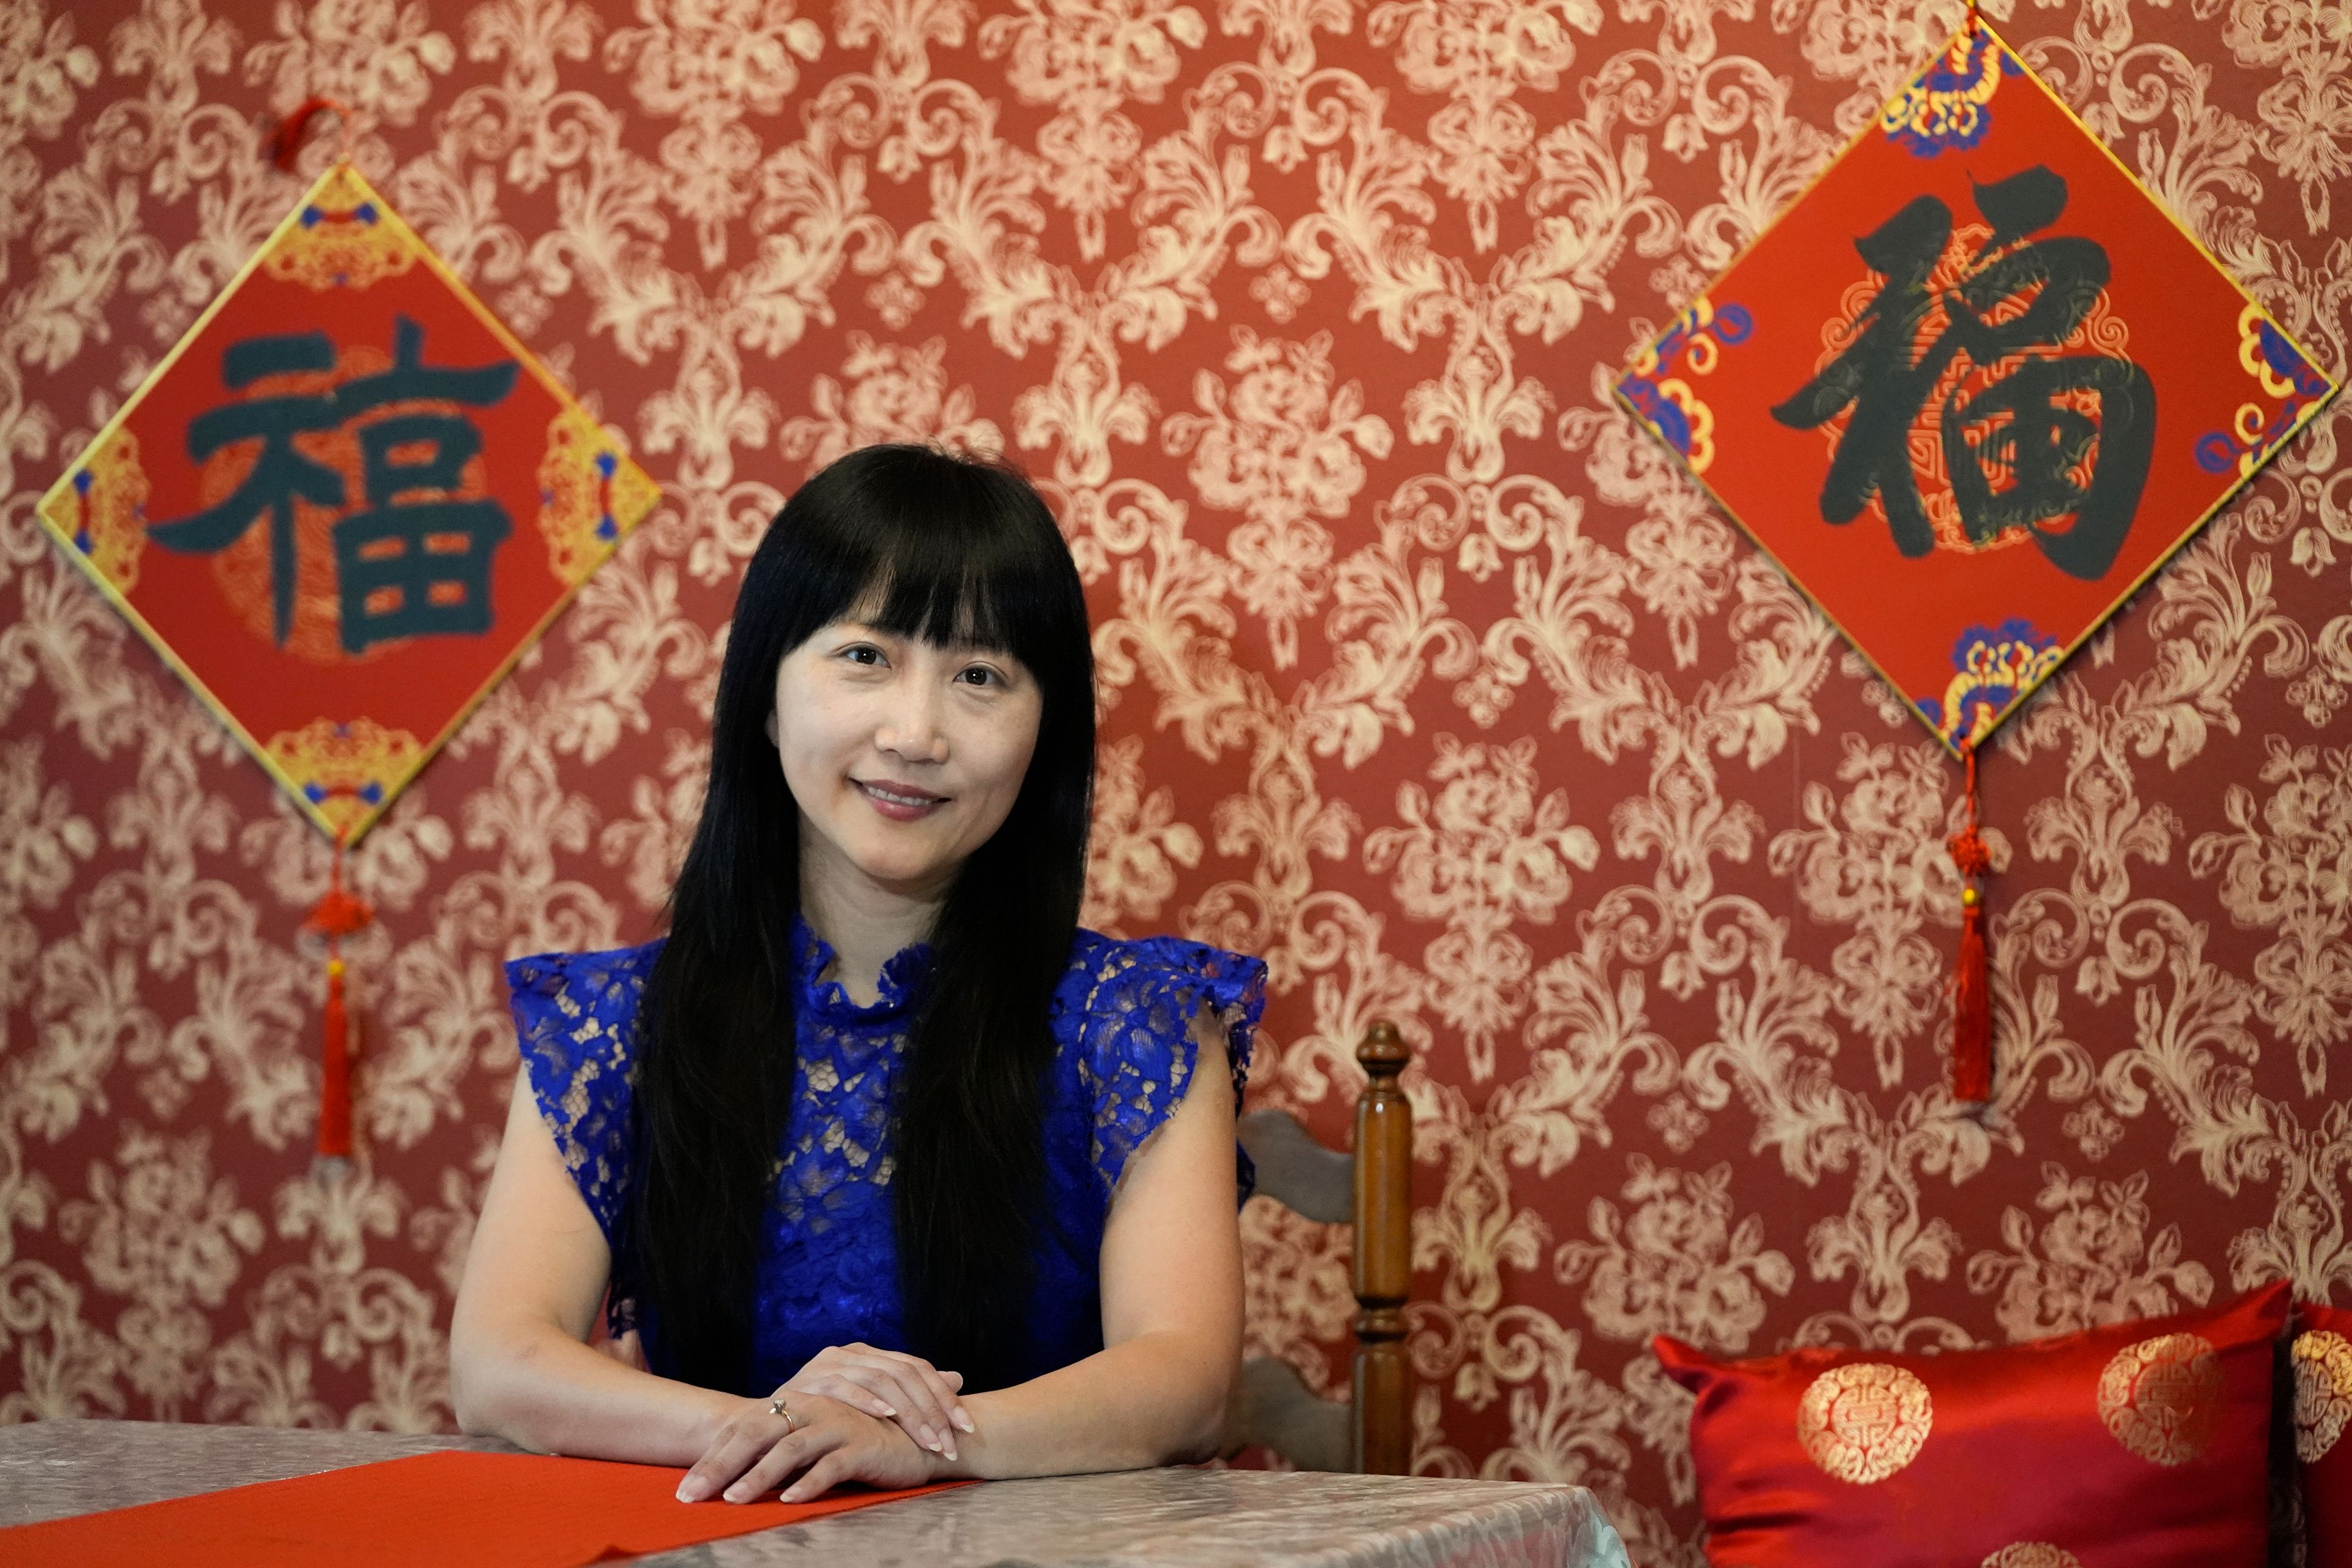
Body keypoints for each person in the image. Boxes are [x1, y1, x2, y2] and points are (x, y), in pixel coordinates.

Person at [449, 445, 1262, 1505]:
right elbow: (499, 1361)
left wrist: (928, 1441)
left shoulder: (1140, 1023)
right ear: (768, 697)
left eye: (980, 676)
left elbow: (1184, 1380)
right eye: (866, 657)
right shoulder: (623, 1021)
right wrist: (781, 1429)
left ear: (1043, 734)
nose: (915, 733)